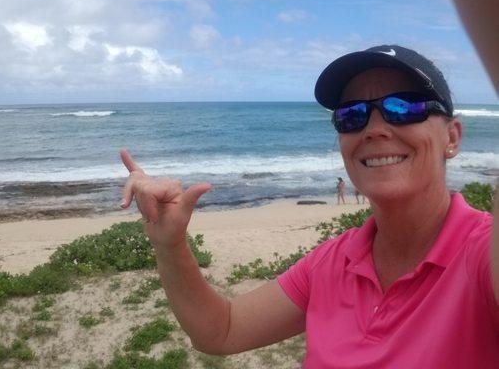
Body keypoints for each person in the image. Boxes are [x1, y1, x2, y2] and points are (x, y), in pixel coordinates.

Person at [120, 44, 498, 368]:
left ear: (452, 137)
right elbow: (222, 330)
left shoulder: (482, 254)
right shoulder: (332, 263)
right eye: (352, 115)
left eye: (404, 107)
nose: (374, 128)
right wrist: (170, 244)